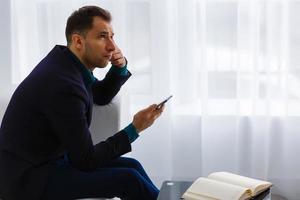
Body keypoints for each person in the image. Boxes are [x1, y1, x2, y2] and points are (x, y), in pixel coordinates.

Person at [0, 5, 164, 200]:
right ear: (78, 41)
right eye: (103, 36)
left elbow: (100, 95)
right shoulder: (63, 85)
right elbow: (86, 160)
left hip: (49, 161)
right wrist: (134, 129)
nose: (112, 46)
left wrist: (119, 69)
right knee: (128, 179)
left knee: (133, 166)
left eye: (112, 36)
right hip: (30, 179)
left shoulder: (66, 62)